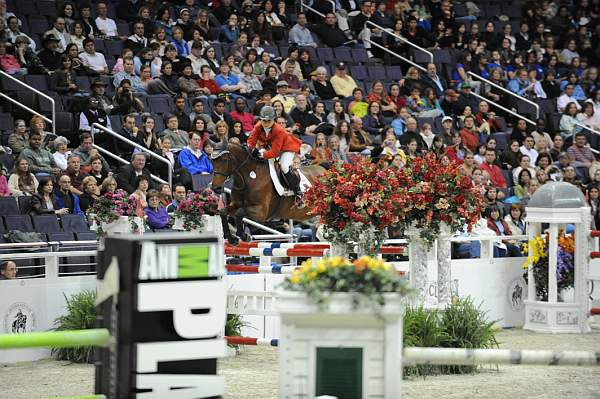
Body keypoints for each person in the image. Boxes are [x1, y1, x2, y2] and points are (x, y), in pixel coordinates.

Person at [247, 106, 302, 196]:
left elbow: (275, 153)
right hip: (272, 147)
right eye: (264, 120)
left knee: (284, 166)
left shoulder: (279, 130)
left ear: (274, 120)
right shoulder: (258, 127)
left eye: (269, 121)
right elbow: (250, 141)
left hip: (287, 148)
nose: (266, 123)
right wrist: (251, 149)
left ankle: (297, 191)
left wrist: (262, 155)